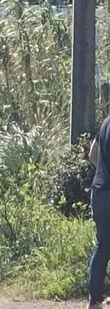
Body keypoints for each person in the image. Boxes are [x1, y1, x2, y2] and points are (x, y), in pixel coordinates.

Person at [89, 117, 110, 309]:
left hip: (99, 190)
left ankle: (94, 300)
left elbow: (92, 154)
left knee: (103, 245)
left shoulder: (105, 122)